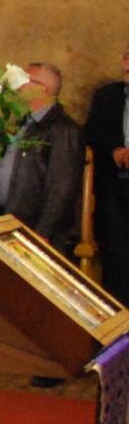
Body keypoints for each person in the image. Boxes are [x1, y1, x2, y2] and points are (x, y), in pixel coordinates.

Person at [0, 62, 84, 253]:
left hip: (33, 231)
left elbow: (62, 187)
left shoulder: (64, 129)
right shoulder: (24, 123)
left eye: (24, 80)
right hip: (7, 223)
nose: (18, 85)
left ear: (44, 88)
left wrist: (43, 232)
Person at [88, 41, 129, 298]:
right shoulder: (106, 97)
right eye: (127, 57)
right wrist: (114, 150)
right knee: (116, 259)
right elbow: (92, 133)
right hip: (115, 187)